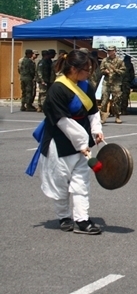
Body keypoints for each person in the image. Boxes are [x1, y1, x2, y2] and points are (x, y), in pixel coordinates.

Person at [34, 50, 104, 234]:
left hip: (81, 144)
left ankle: (82, 220)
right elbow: (62, 121)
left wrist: (96, 130)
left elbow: (93, 111)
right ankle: (64, 216)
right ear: (73, 68)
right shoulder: (57, 89)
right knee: (60, 183)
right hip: (59, 142)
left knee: (81, 182)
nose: (88, 73)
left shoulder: (86, 86)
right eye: (86, 69)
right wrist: (82, 143)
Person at [99, 45, 125, 124]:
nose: (109, 52)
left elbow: (123, 71)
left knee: (116, 100)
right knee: (104, 99)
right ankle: (102, 117)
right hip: (107, 82)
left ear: (115, 51)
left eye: (111, 51)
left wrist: (115, 70)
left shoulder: (120, 61)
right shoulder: (104, 60)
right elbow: (101, 70)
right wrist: (104, 71)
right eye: (108, 51)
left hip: (116, 83)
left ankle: (117, 116)